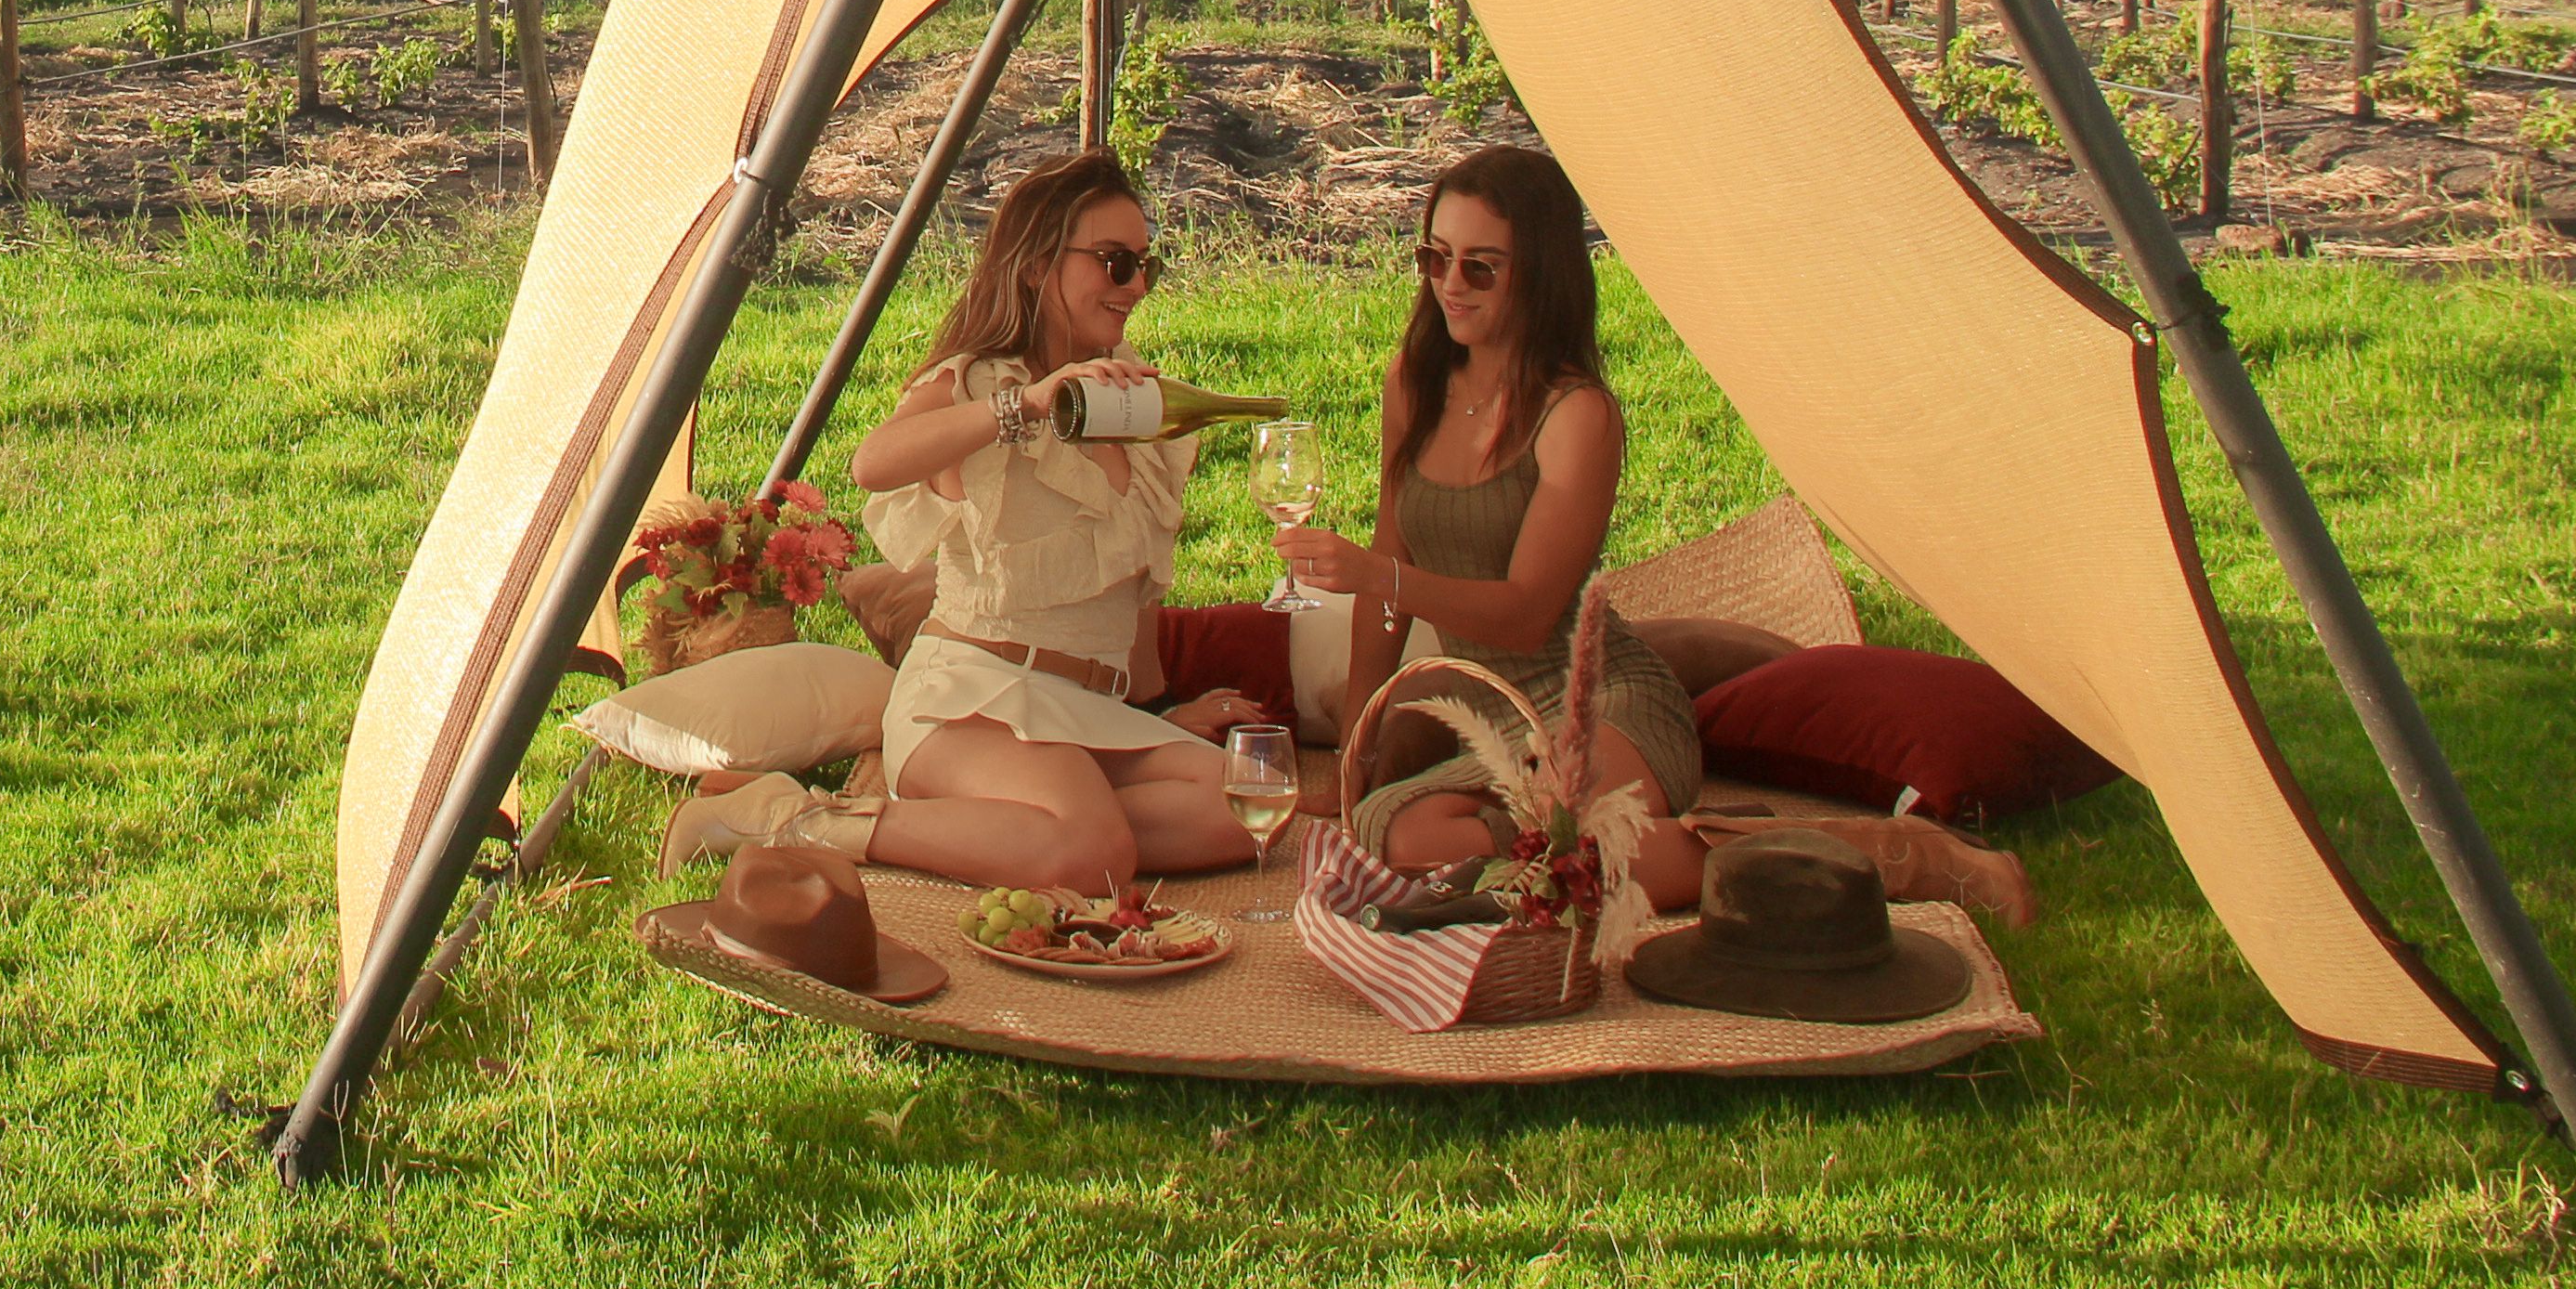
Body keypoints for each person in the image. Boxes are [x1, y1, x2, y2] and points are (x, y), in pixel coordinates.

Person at [1274, 146, 2030, 923]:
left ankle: (1901, 856)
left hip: (1605, 702)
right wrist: (1356, 747)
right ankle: (1686, 844)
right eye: (1435, 258)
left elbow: (1526, 612)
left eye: (1480, 268)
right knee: (1397, 834)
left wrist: (1383, 579)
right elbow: (1390, 563)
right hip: (1497, 718)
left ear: (1540, 273)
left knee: (1566, 856)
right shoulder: (1415, 382)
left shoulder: (1576, 415)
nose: (1450, 284)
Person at [663, 150, 1269, 892]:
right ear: (1037, 265)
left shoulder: (1132, 399)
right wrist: (1029, 405)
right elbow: (874, 463)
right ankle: (796, 818)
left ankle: (1016, 827)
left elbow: (1128, 584)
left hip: (1086, 713)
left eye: (1147, 265)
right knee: (1093, 854)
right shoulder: (983, 380)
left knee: (1244, 807)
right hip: (973, 701)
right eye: (1116, 263)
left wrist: (1158, 715)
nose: (1137, 286)